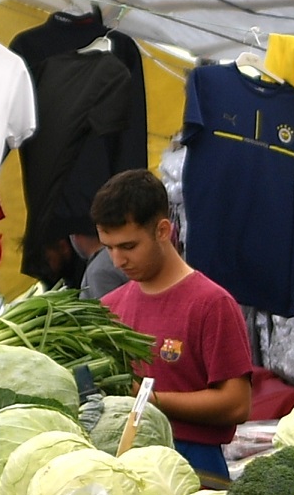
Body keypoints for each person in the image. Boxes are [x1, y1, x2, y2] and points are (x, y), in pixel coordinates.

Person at [91, 169, 253, 479]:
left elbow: (236, 404)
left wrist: (148, 399)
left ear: (163, 230)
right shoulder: (108, 308)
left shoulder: (212, 304)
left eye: (128, 246)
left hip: (196, 469)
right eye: (108, 247)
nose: (117, 261)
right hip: (123, 467)